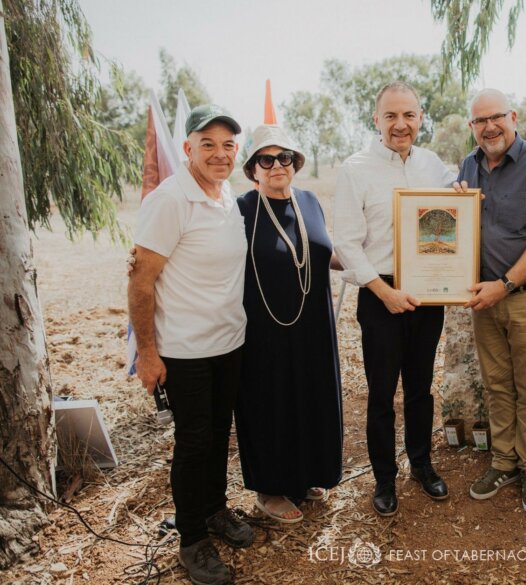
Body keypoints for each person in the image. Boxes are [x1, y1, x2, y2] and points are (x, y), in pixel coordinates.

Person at [128, 104, 255, 585]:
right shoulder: (169, 200)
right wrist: (147, 353)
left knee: (218, 433)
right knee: (194, 442)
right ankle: (191, 540)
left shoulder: (227, 198)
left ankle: (214, 510)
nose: (219, 154)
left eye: (227, 145)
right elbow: (141, 282)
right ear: (188, 149)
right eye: (208, 144)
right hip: (184, 351)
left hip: (228, 343)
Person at [333, 82, 456, 517]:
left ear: (421, 117)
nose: (400, 124)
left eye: (409, 115)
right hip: (379, 294)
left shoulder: (434, 166)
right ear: (376, 120)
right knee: (382, 393)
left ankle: (421, 464)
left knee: (421, 389)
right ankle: (384, 479)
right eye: (391, 116)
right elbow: (345, 241)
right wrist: (381, 291)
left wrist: (459, 199)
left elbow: (452, 219)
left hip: (428, 292)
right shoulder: (356, 168)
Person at [458, 89, 526, 515]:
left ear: (514, 117)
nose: (489, 127)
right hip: (483, 298)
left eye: (497, 117)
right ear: (472, 127)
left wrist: (504, 284)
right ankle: (503, 461)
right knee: (497, 385)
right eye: (479, 120)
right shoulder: (469, 165)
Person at [234, 125, 343, 524]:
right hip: (265, 328)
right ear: (252, 169)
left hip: (313, 322)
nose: (277, 165)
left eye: (284, 157)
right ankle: (271, 487)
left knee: (310, 395)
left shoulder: (310, 201)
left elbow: (323, 252)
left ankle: (307, 472)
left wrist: (379, 259)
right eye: (266, 159)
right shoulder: (242, 209)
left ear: (295, 163)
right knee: (271, 401)